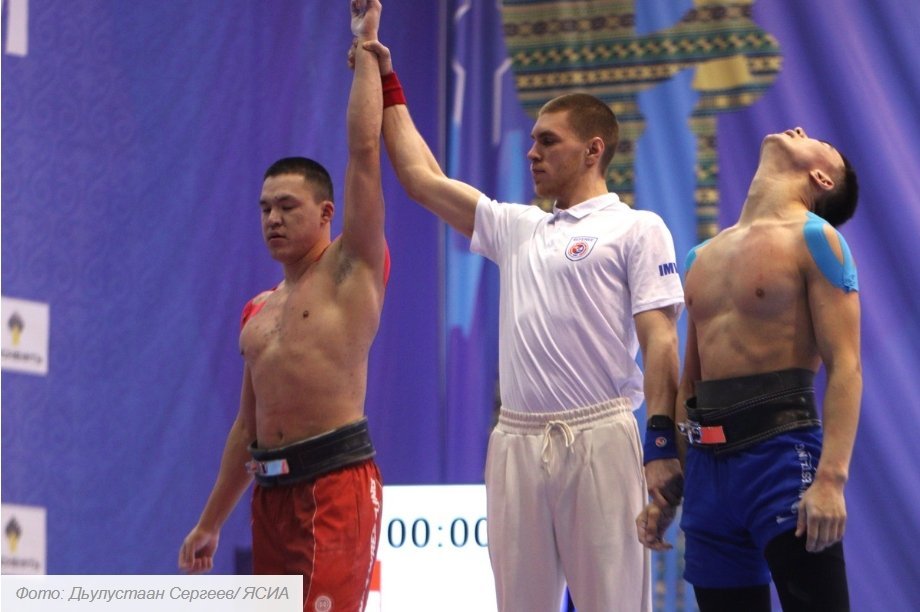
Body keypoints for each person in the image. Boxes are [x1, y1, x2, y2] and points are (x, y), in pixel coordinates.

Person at [357, 35, 684, 612]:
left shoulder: (637, 228)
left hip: (601, 437)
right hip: (514, 442)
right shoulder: (517, 227)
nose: (531, 153)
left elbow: (660, 342)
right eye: (532, 140)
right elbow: (420, 178)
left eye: (547, 141)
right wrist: (386, 75)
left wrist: (660, 444)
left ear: (593, 150)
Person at [178, 2, 390, 610]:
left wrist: (366, 48)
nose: (272, 218)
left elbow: (364, 151)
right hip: (270, 497)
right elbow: (247, 429)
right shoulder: (258, 312)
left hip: (336, 487)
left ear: (326, 213)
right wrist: (211, 522)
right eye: (265, 208)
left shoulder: (352, 267)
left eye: (287, 207)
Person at [637, 127, 861, 611]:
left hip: (781, 459)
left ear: (821, 178)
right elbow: (691, 384)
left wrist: (831, 480)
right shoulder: (702, 256)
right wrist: (671, 488)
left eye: (819, 141)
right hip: (707, 474)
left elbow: (846, 365)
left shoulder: (817, 239)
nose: (799, 130)